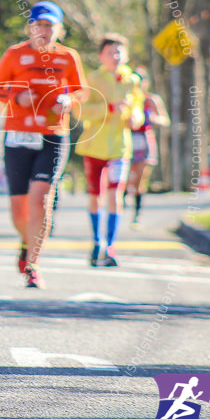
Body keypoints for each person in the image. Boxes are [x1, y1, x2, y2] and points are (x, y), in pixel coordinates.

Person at [0, 1, 86, 288]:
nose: (43, 30)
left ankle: (33, 264)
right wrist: (17, 97)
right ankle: (26, 241)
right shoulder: (14, 54)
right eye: (39, 25)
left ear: (59, 29)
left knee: (41, 199)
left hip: (53, 134)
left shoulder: (68, 57)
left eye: (49, 25)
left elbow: (81, 90)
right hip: (18, 135)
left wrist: (68, 100)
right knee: (19, 208)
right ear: (29, 27)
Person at [73, 34, 144, 267]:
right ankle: (96, 242)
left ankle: (110, 246)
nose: (116, 56)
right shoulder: (92, 78)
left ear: (127, 55)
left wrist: (135, 117)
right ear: (101, 56)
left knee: (115, 195)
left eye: (120, 52)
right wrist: (109, 108)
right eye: (111, 52)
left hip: (120, 148)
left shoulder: (132, 81)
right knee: (96, 196)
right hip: (95, 147)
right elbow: (80, 111)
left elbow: (138, 109)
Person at [125, 67, 170, 227]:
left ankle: (137, 214)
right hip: (127, 139)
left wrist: (152, 118)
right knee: (124, 177)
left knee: (140, 179)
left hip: (144, 140)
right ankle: (120, 207)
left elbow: (165, 120)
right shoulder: (127, 98)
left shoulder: (151, 100)